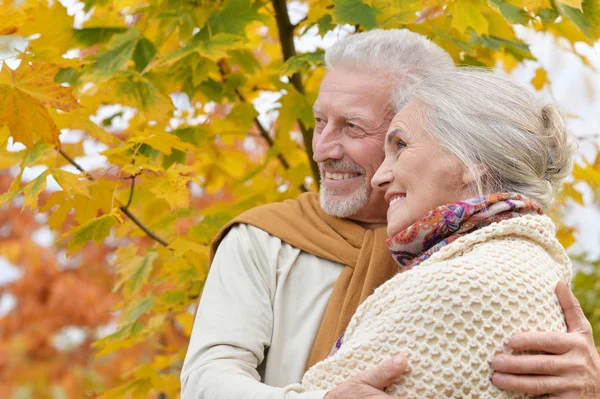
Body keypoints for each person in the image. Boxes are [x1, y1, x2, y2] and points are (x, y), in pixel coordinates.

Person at [180, 30, 600, 399]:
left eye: (352, 127)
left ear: (439, 133)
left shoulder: (500, 253)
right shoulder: (265, 238)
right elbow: (205, 380)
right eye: (319, 122)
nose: (322, 148)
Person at [299, 67, 583, 398]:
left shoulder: (466, 283)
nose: (380, 177)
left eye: (401, 145)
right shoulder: (516, 258)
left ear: (469, 159)